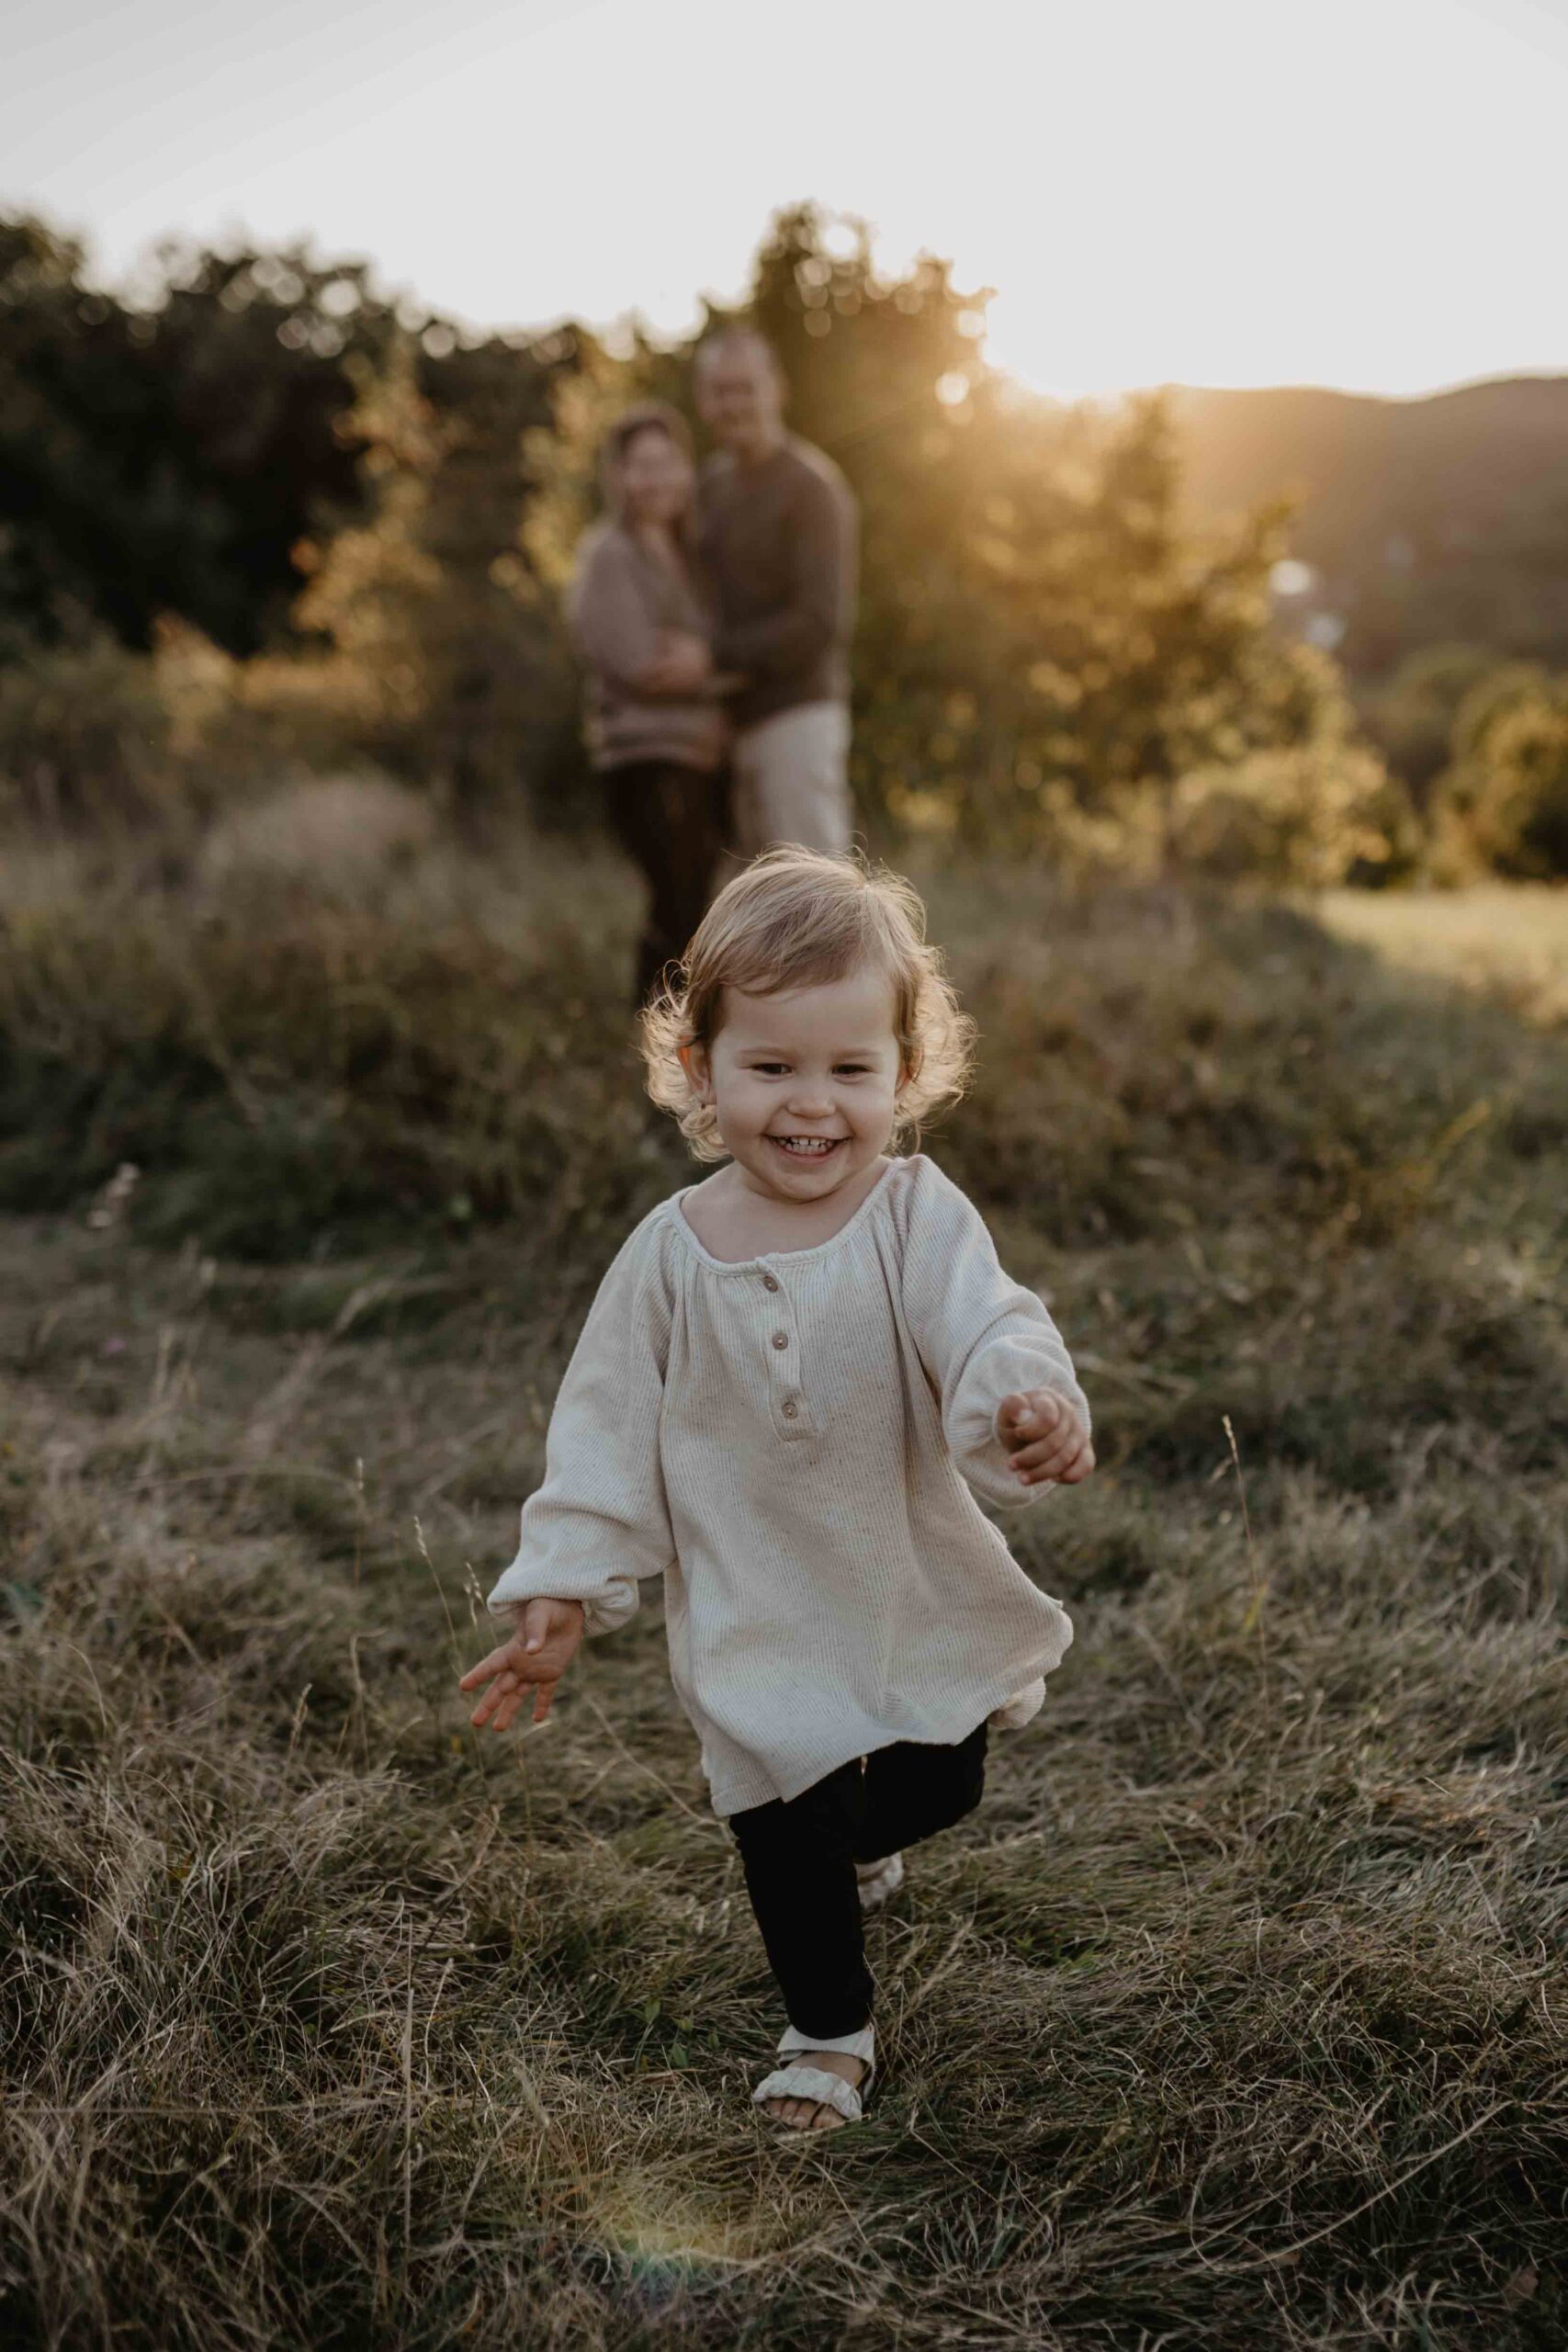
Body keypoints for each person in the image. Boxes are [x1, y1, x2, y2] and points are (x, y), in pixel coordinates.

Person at [459, 849, 1094, 2136]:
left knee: (936, 1784)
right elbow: (601, 1428)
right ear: (699, 1071)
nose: (811, 1106)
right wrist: (566, 1587)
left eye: (850, 1070)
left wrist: (1021, 1403)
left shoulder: (914, 1212)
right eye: (771, 1068)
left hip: (900, 1573)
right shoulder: (669, 1257)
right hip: (748, 1597)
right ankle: (827, 2031)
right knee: (782, 1817)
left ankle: (873, 1831)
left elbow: (986, 1325)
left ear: (903, 1074)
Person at [568, 402, 730, 1004]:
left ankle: (673, 1040)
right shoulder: (609, 554)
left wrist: (702, 659)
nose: (656, 478)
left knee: (693, 901)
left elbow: (697, 654)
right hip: (644, 756)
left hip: (701, 756)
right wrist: (718, 667)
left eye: (667, 463)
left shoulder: (691, 556)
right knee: (677, 902)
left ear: (686, 469)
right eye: (640, 466)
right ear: (618, 476)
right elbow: (640, 663)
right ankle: (655, 1039)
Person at [682, 329, 858, 861]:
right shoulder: (708, 487)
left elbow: (821, 622)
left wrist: (712, 660)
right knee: (756, 917)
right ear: (702, 399)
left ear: (776, 389)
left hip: (796, 720)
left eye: (745, 387)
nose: (734, 403)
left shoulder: (813, 488)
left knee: (818, 898)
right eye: (720, 390)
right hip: (724, 729)